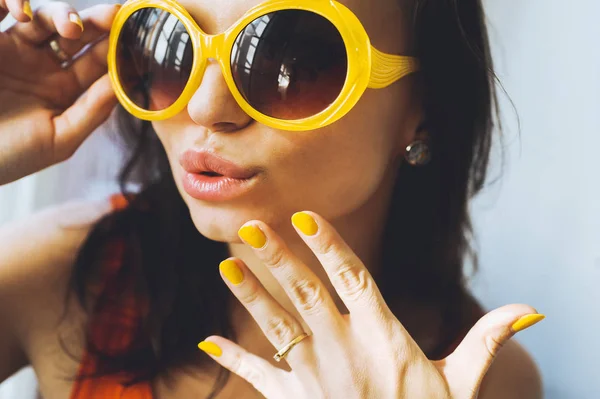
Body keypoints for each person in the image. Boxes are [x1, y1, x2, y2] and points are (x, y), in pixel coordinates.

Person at [0, 0, 545, 398]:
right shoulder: (64, 276)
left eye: (292, 64)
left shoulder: (484, 379)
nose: (206, 108)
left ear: (421, 102)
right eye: (170, 44)